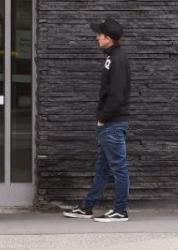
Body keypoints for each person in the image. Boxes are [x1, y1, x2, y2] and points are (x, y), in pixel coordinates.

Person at [62, 17, 132, 223]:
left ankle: (120, 210)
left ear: (108, 38)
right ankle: (87, 207)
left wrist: (103, 117)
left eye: (99, 35)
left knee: (118, 166)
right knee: (102, 167)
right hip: (109, 123)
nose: (96, 37)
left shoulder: (118, 59)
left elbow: (117, 95)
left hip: (112, 122)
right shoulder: (112, 57)